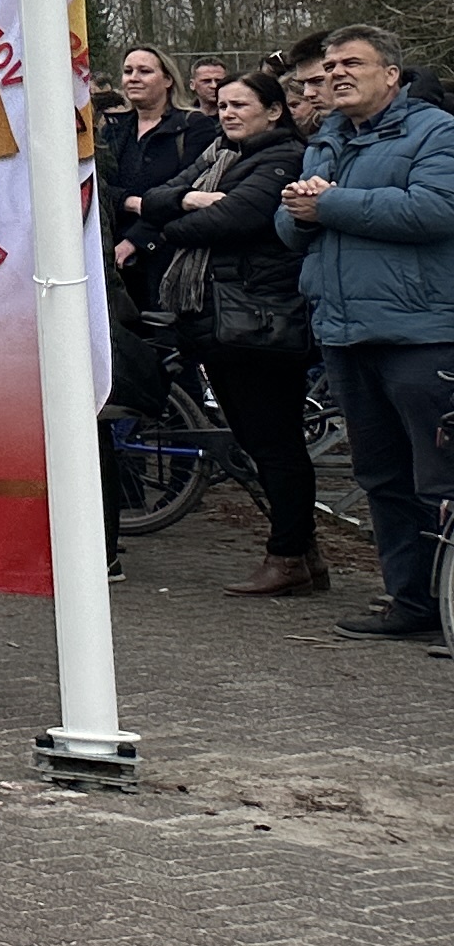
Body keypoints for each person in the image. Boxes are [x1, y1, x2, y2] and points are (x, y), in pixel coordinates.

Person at [279, 25, 454, 642]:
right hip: (345, 334)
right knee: (382, 476)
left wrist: (328, 205)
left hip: (421, 335)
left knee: (440, 479)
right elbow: (289, 229)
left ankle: (450, 609)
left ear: (392, 75)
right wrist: (300, 210)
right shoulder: (326, 142)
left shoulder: (436, 132)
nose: (336, 75)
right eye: (329, 67)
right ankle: (412, 603)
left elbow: (437, 210)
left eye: (352, 63)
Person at [159, 71, 321, 596]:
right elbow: (155, 196)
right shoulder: (221, 157)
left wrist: (175, 220)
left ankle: (289, 555)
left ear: (274, 111)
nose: (227, 113)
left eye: (240, 105)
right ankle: (303, 553)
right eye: (223, 105)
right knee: (256, 439)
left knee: (274, 442)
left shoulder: (284, 158)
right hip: (220, 319)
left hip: (260, 321)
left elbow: (234, 219)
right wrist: (187, 202)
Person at [101, 46, 214, 332]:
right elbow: (99, 186)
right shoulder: (112, 129)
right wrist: (130, 202)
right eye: (128, 71)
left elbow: (187, 191)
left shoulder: (194, 127)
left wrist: (136, 239)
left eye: (144, 71)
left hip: (169, 254)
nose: (133, 78)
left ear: (167, 80)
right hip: (114, 257)